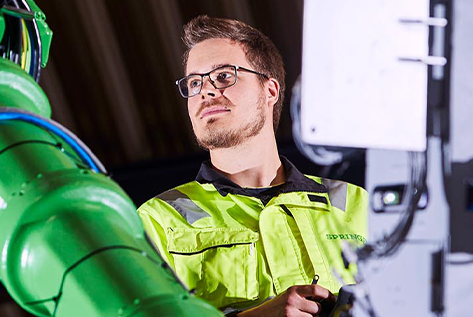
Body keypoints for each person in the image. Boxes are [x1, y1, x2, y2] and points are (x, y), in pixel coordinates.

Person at [138, 16, 368, 316]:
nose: (205, 91)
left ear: (270, 91)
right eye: (194, 83)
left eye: (223, 76)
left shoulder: (358, 204)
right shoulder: (157, 220)